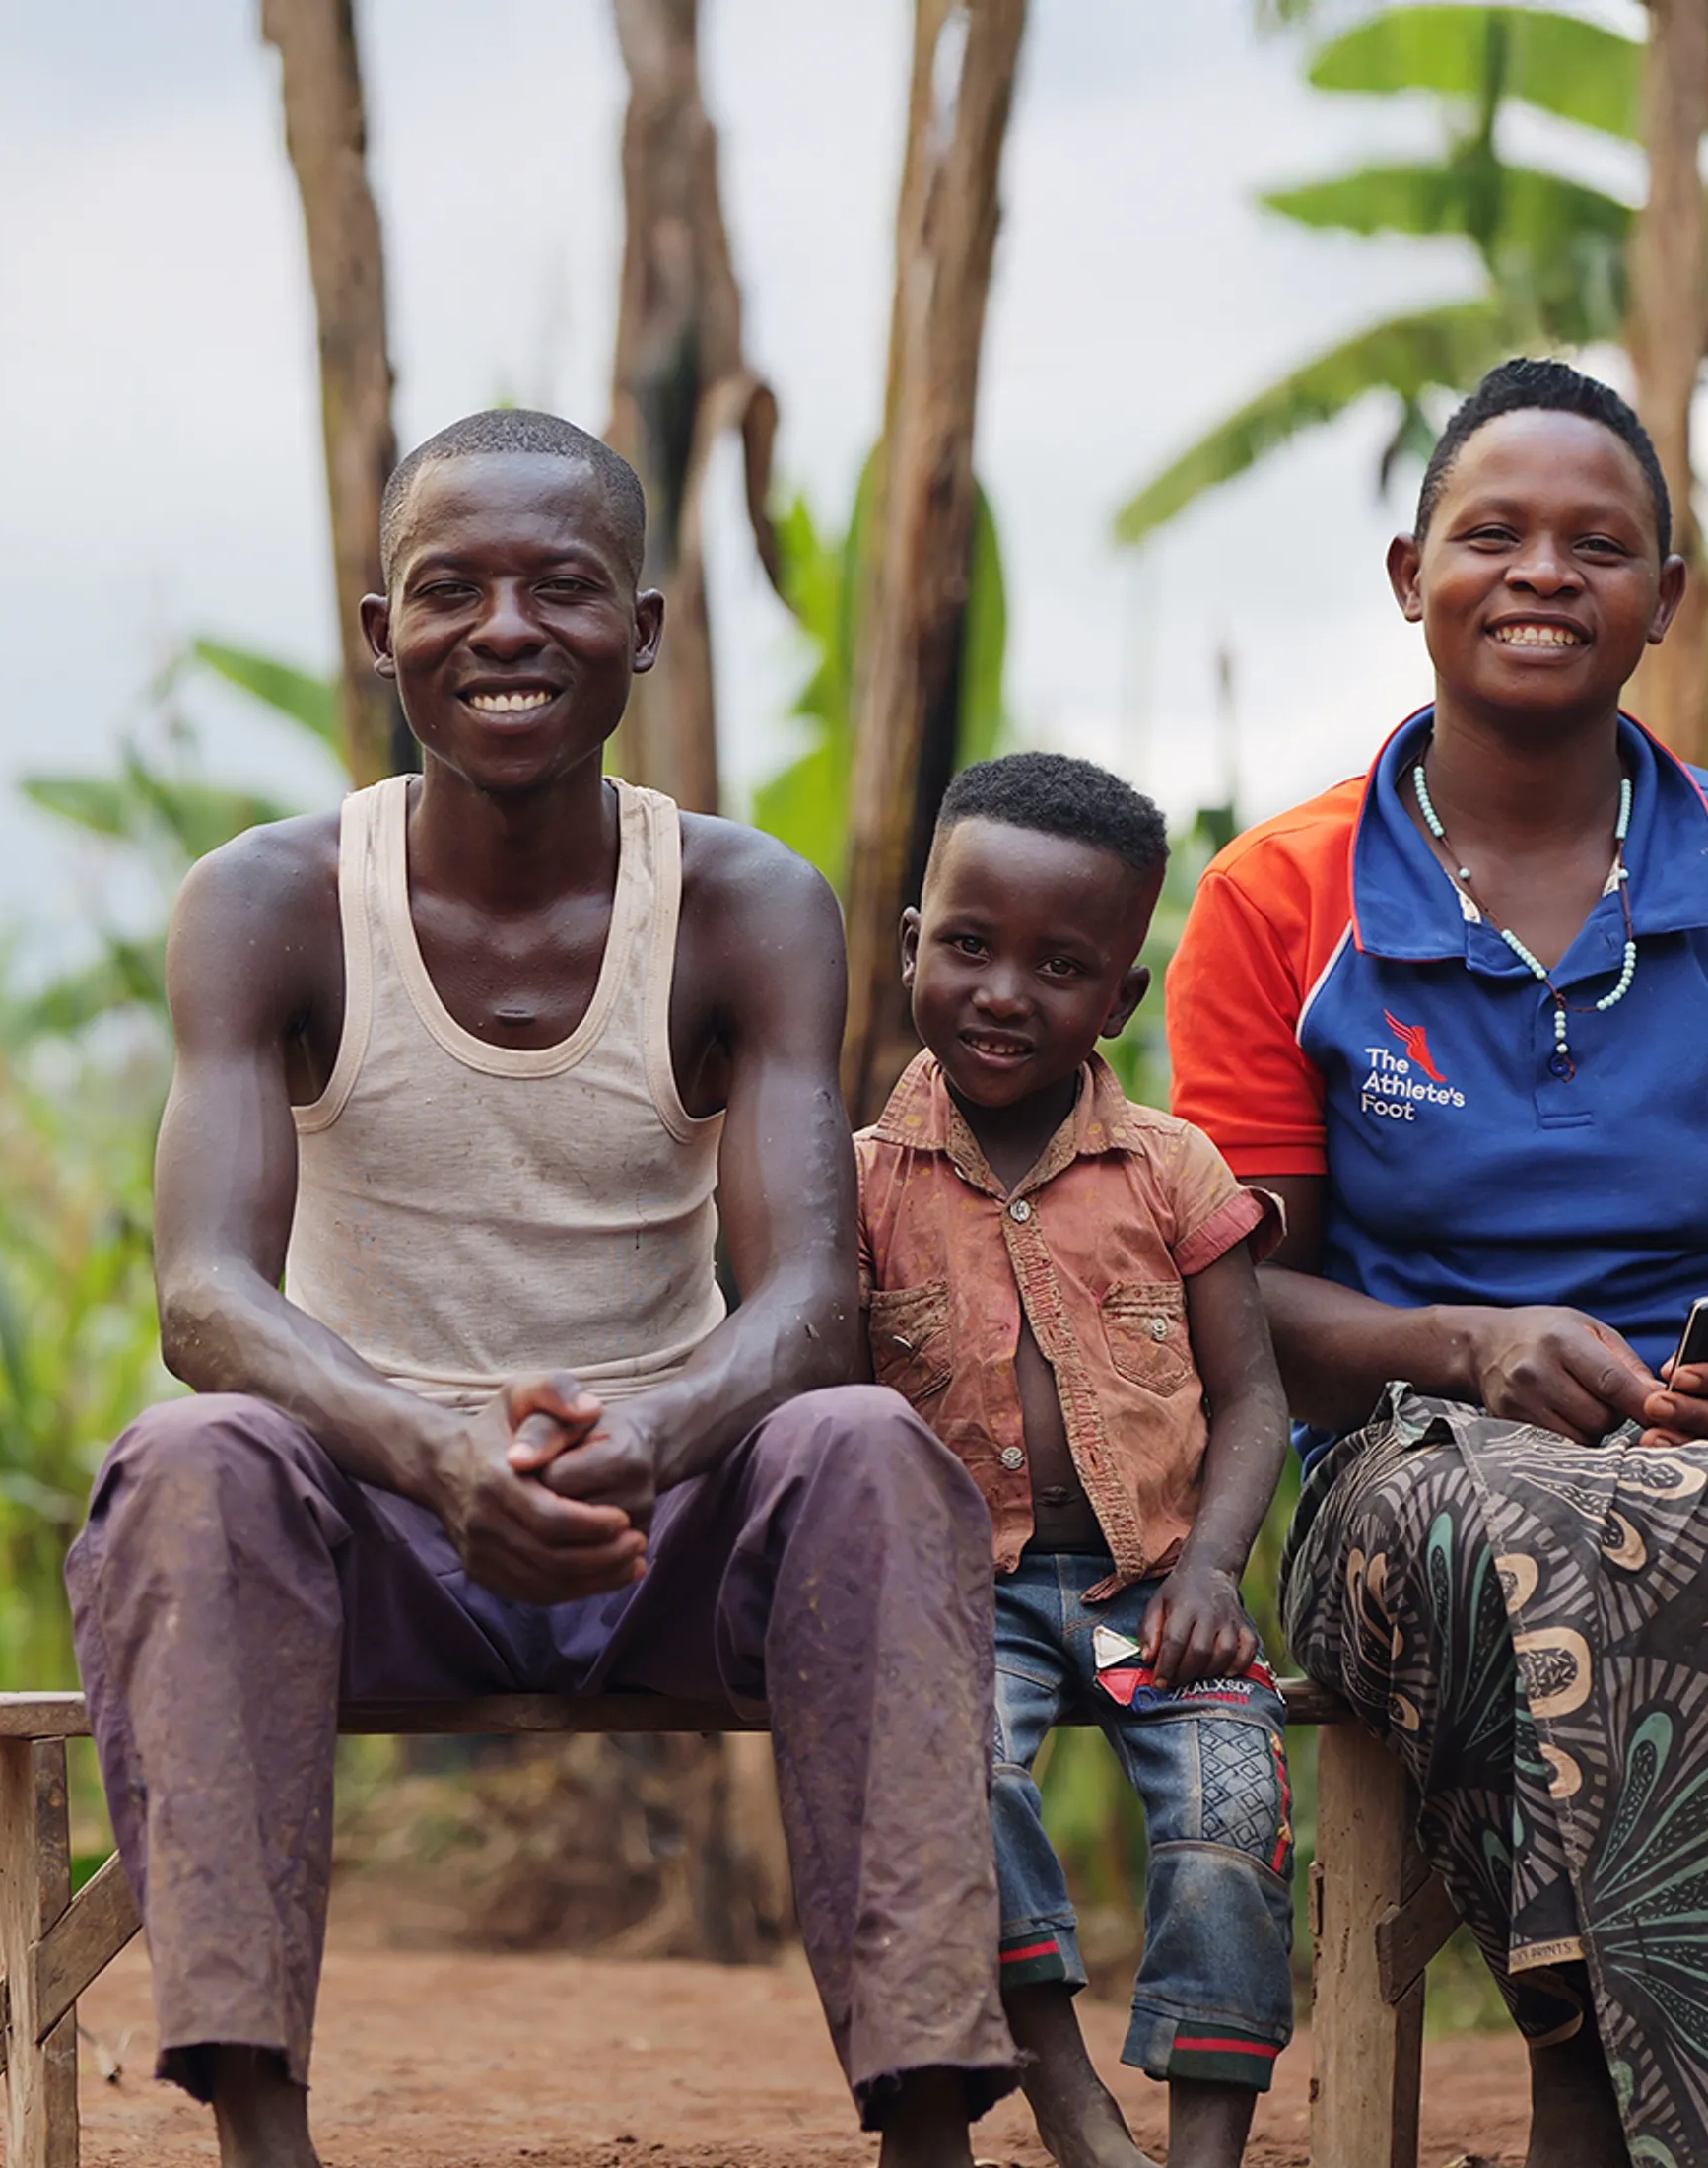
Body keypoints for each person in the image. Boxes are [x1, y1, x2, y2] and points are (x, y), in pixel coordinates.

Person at [66, 407, 1014, 2168]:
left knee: (868, 1444)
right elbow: (205, 1295)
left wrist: (642, 1441)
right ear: (381, 636)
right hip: (376, 1522)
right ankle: (263, 2137)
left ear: (642, 631)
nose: (507, 629)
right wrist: (434, 1459)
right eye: (453, 591)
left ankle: (928, 2130)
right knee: (188, 1464)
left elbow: (808, 1302)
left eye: (562, 588)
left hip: (659, 1519)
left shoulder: (742, 903)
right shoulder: (271, 902)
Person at [1167, 358, 1708, 2168]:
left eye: (1598, 543)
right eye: (1495, 534)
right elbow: (1237, 1308)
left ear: (1664, 602)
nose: (1544, 571)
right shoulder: (1278, 899)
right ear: (1412, 575)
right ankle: (1584, 2071)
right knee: (1534, 1530)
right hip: (1407, 1475)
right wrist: (1462, 1349)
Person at [854, 753, 1298, 2168]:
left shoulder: (1176, 1171)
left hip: (1155, 1593)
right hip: (955, 1603)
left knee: (1233, 1810)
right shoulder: (857, 1180)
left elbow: (1255, 1400)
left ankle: (1205, 2148)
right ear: (914, 940)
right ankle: (1059, 2081)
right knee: (954, 1767)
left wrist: (1217, 1570)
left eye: (1059, 966)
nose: (1002, 992)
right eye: (970, 946)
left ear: (1119, 998)